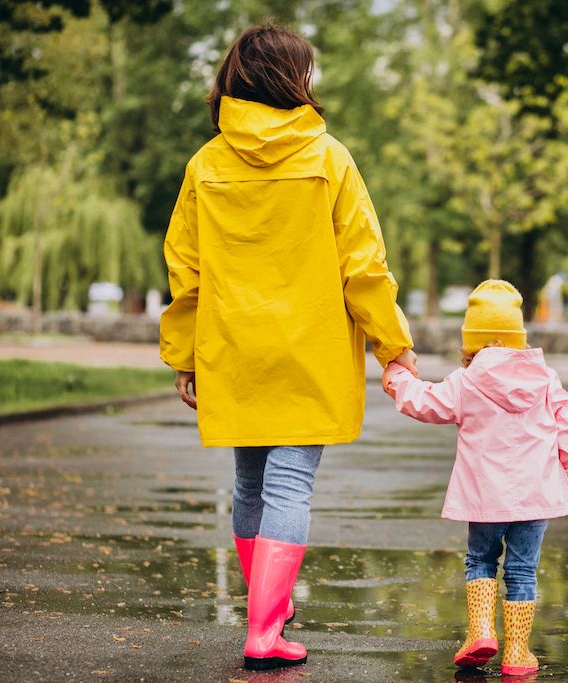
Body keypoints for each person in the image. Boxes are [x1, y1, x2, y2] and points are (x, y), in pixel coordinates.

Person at [158, 23, 417, 671]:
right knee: (291, 482)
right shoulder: (330, 159)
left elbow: (184, 269)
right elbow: (365, 264)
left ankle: (265, 608)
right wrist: (394, 348)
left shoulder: (206, 164)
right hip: (310, 350)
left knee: (249, 480)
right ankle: (265, 629)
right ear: (295, 81)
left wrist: (185, 353)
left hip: (235, 348)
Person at [382, 280, 568, 676]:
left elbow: (424, 402)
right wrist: (556, 471)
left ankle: (480, 631)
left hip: (485, 498)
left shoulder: (468, 381)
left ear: (472, 339)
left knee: (481, 559)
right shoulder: (545, 378)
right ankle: (517, 654)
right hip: (535, 496)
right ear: (517, 335)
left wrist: (397, 376)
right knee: (523, 570)